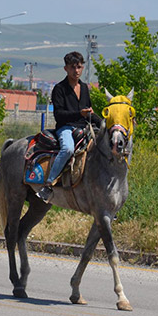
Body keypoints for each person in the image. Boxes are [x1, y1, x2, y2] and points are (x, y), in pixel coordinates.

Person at [37, 51, 95, 202]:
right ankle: (48, 184)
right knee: (68, 149)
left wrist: (104, 123)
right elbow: (59, 115)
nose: (76, 71)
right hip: (66, 128)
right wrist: (79, 114)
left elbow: (88, 112)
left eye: (79, 67)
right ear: (66, 69)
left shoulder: (84, 88)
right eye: (73, 67)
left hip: (83, 127)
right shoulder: (59, 89)